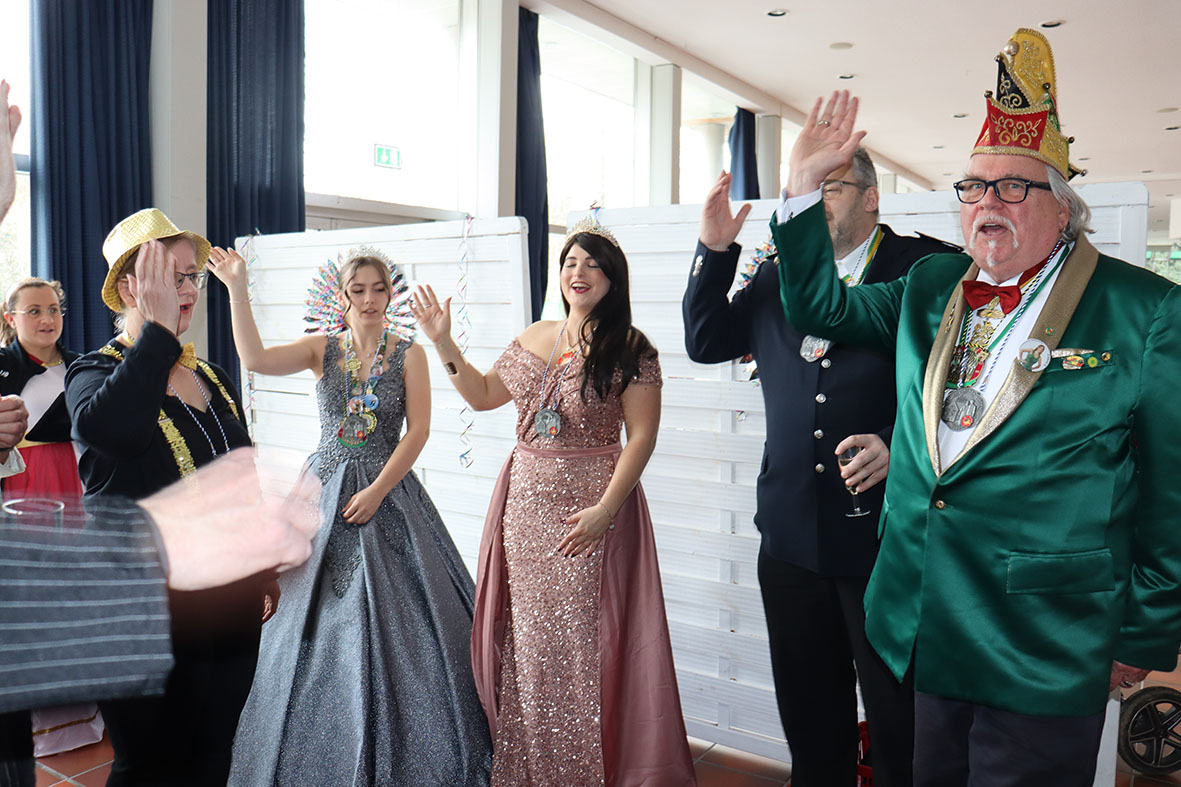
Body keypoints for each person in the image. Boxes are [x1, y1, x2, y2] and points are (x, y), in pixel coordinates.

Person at [774, 31, 1181, 787]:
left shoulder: (1146, 309)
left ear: (1063, 208)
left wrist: (1144, 631)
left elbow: (1169, 492)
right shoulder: (931, 285)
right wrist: (801, 188)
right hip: (928, 617)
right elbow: (819, 308)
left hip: (1046, 636)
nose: (986, 202)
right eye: (973, 186)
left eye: (1012, 187)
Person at [685, 152, 956, 784]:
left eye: (827, 188)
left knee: (901, 726)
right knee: (810, 723)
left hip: (884, 541)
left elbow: (963, 384)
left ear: (871, 197)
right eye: (802, 193)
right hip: (790, 536)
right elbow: (706, 341)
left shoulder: (922, 270)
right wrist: (714, 250)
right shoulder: (774, 275)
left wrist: (898, 443)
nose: (813, 203)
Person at [412, 217, 696, 786]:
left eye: (592, 264)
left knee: (584, 641)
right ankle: (533, 768)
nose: (578, 272)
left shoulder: (631, 348)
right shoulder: (537, 335)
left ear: (613, 278)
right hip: (525, 509)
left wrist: (605, 512)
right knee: (532, 642)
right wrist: (442, 342)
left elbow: (641, 438)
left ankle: (587, 769)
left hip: (591, 510)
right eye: (570, 262)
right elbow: (482, 394)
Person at [205, 245, 491, 785]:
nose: (369, 299)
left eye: (378, 289)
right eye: (357, 290)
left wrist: (379, 490)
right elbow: (255, 360)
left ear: (390, 295)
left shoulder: (410, 354)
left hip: (388, 491)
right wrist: (237, 289)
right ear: (341, 297)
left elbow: (419, 432)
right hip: (322, 489)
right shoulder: (323, 349)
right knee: (302, 617)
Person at [64, 209, 268, 786]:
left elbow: (240, 471)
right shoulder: (91, 375)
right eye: (173, 277)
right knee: (149, 767)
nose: (189, 290)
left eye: (191, 277)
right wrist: (155, 334)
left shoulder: (212, 375)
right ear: (131, 287)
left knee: (211, 754)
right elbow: (116, 433)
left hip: (227, 602)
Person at [0, 448, 318, 787]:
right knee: (144, 759)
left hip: (224, 583)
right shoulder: (111, 419)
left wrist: (262, 570)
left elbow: (238, 472)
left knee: (212, 744)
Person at [0, 277, 81, 501]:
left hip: (81, 474)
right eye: (34, 311)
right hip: (24, 479)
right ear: (11, 319)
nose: (47, 319)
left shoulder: (84, 366)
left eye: (53, 310)